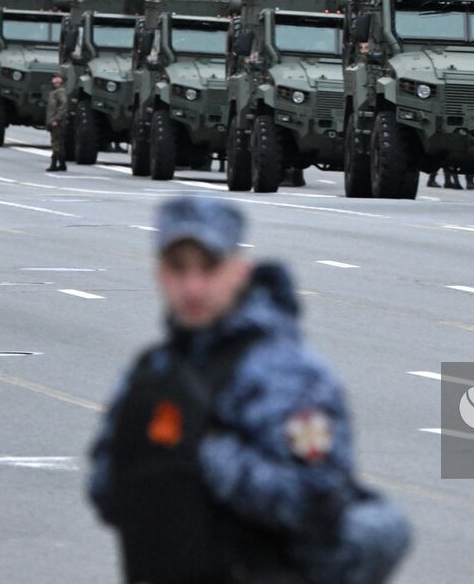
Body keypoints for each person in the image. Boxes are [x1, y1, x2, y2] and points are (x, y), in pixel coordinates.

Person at [88, 198, 410, 583]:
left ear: (241, 269)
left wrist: (206, 454)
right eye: (178, 268)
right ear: (159, 272)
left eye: (210, 267)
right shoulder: (153, 371)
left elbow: (315, 502)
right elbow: (105, 490)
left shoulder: (285, 374)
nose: (193, 287)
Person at [46, 74, 69, 172]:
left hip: (57, 123)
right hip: (54, 122)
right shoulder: (55, 92)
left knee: (56, 143)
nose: (53, 80)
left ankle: (54, 163)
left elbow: (63, 106)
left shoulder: (60, 92)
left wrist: (56, 119)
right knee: (58, 143)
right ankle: (62, 164)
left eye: (56, 78)